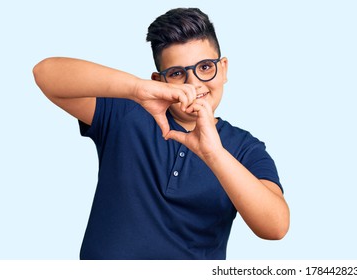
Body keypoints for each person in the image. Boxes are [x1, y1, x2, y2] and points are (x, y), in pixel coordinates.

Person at [33, 7, 289, 260]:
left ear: (223, 69)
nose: (193, 83)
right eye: (177, 73)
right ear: (159, 80)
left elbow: (276, 227)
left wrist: (214, 154)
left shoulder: (245, 147)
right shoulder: (126, 113)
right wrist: (136, 89)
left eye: (205, 67)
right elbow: (45, 74)